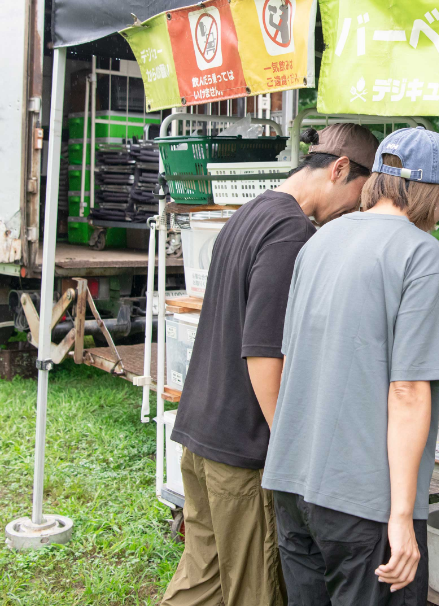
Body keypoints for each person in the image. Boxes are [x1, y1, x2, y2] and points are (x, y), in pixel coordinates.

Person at [162, 122, 380, 606]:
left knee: (203, 581)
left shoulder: (253, 211)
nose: (357, 210)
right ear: (340, 169)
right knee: (255, 593)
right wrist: (293, 452)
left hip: (201, 432)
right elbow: (263, 352)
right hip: (241, 451)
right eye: (362, 196)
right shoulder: (291, 233)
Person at [262, 126, 439, 606]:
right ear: (438, 194)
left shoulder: (320, 240)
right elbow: (409, 391)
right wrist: (402, 517)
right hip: (364, 501)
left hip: (293, 485)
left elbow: (290, 358)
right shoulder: (422, 254)